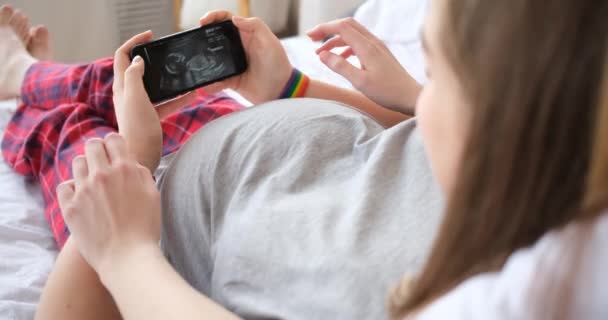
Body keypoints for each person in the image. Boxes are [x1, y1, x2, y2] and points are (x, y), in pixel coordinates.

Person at [2, 0, 606, 319]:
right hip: (282, 134)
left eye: (434, 66)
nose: (423, 97)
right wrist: (292, 87)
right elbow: (430, 148)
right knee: (126, 85)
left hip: (149, 196)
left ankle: (23, 77)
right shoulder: (559, 173)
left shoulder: (472, 297)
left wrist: (128, 235)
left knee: (69, 128)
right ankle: (31, 74)